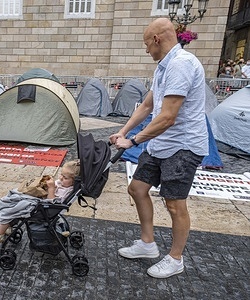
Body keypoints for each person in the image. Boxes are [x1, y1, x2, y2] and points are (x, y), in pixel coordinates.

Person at [109, 18, 208, 279]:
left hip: (183, 145)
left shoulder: (181, 65)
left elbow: (167, 117)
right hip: (162, 142)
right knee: (137, 188)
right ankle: (148, 244)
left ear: (156, 40)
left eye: (146, 44)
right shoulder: (163, 67)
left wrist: (133, 141)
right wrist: (123, 131)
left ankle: (176, 259)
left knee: (175, 204)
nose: (145, 51)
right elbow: (146, 107)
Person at [0, 160, 80, 246]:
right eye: (61, 174)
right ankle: (7, 225)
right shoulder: (63, 183)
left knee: (16, 206)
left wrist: (51, 188)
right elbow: (55, 185)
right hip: (41, 202)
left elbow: (53, 203)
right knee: (14, 195)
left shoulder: (66, 191)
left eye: (65, 177)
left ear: (73, 181)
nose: (61, 178)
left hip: (45, 209)